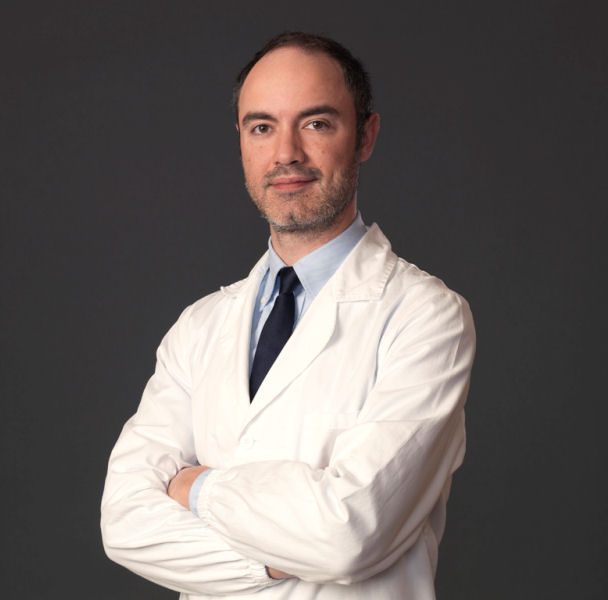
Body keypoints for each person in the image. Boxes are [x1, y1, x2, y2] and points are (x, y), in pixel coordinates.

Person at [100, 31, 475, 599]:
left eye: (316, 123)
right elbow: (124, 524)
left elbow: (349, 535)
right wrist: (279, 561)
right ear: (241, 141)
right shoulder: (199, 327)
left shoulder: (427, 318)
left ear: (365, 136)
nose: (286, 154)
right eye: (262, 127)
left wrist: (196, 488)